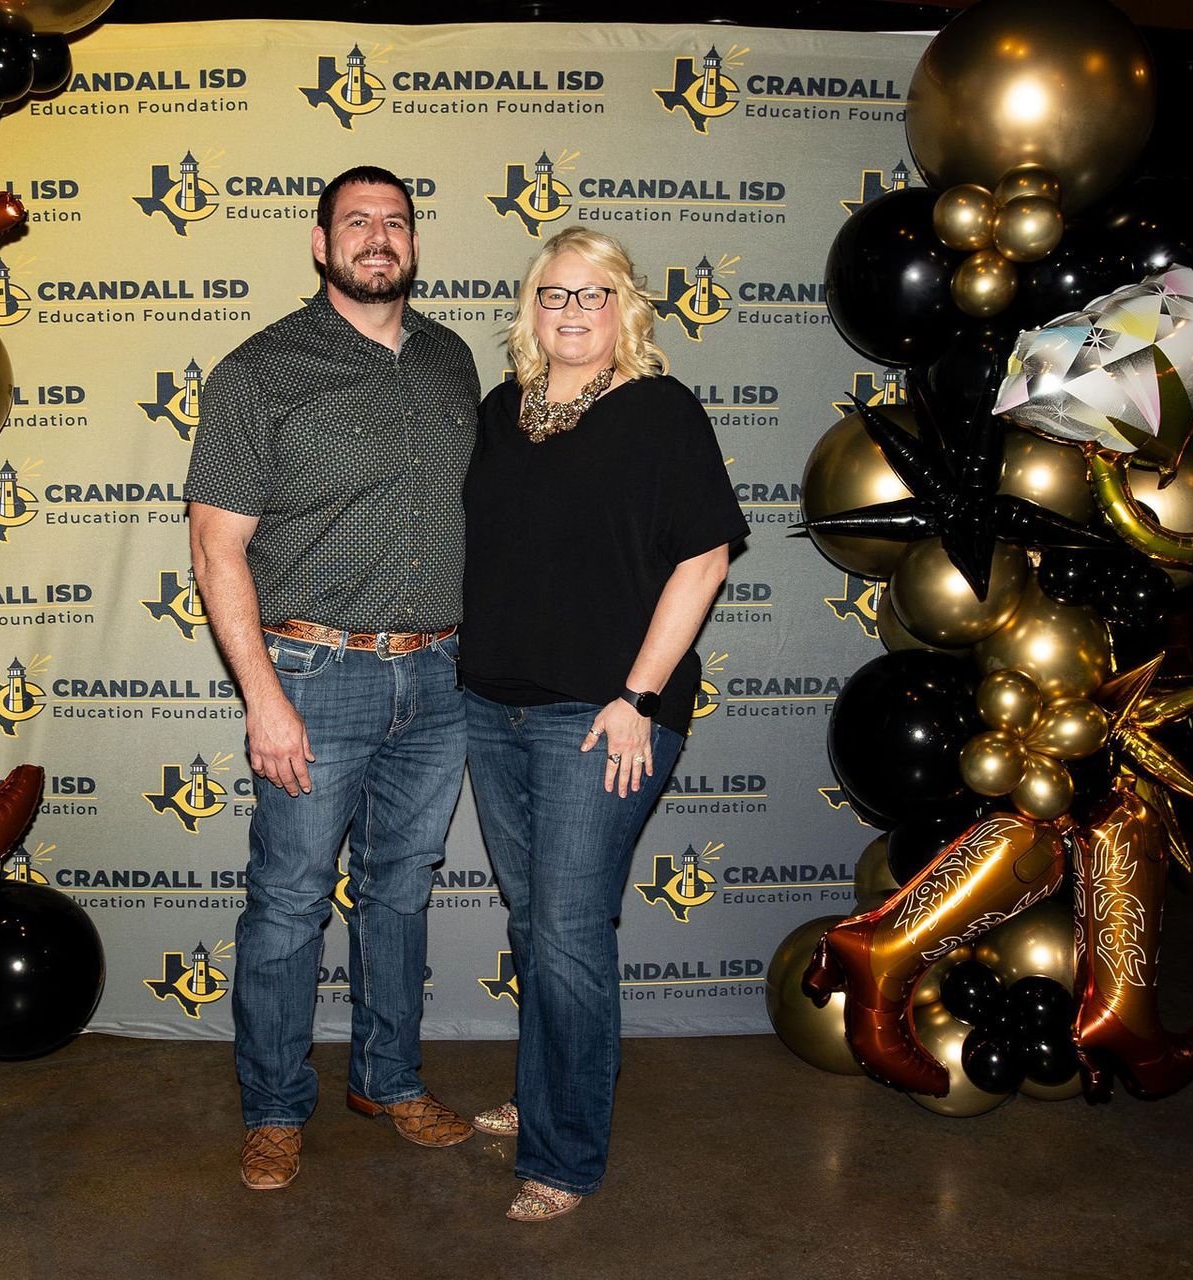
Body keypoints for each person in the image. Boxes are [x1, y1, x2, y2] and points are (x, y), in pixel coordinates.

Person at [186, 165, 483, 1192]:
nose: (378, 237)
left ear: (414, 243)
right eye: (357, 221)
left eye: (395, 221)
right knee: (288, 903)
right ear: (321, 244)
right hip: (313, 675)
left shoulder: (450, 359)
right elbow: (217, 548)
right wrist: (264, 697)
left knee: (401, 891)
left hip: (440, 677)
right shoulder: (260, 371)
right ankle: (273, 1108)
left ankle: (388, 1080)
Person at [459, 227, 746, 1222]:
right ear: (529, 311)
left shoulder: (661, 411)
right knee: (535, 922)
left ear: (626, 309)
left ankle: (566, 1153)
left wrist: (639, 699)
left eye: (593, 294)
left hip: (603, 714)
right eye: (554, 294)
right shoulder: (500, 413)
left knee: (570, 928)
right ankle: (547, 1092)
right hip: (490, 705)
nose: (572, 311)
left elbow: (704, 560)